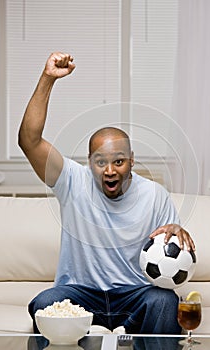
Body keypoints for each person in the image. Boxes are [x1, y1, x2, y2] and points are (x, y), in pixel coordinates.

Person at [18, 52, 195, 335]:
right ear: (89, 162)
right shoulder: (72, 180)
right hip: (80, 296)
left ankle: (127, 330)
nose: (109, 170)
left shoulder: (155, 195)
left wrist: (177, 231)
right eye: (100, 162)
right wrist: (48, 79)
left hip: (135, 295)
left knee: (164, 301)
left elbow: (169, 262)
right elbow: (29, 140)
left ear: (132, 161)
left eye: (119, 161)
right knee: (44, 302)